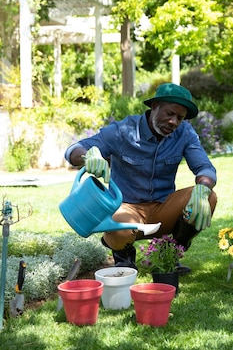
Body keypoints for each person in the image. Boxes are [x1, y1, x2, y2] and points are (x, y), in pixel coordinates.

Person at [64, 83, 217, 275]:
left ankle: (171, 253)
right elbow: (73, 150)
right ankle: (124, 257)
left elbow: (204, 167)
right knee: (120, 228)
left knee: (209, 197)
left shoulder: (184, 133)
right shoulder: (123, 130)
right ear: (154, 107)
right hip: (126, 207)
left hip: (163, 206)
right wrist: (88, 156)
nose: (174, 122)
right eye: (169, 113)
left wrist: (203, 189)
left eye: (180, 117)